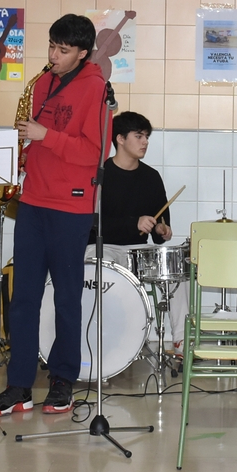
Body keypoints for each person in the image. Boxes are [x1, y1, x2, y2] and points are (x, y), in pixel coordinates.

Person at [0, 14, 109, 417]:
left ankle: (62, 380)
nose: (53, 56)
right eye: (51, 46)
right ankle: (18, 385)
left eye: (63, 50)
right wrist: (24, 153)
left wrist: (45, 136)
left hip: (71, 205)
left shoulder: (97, 89)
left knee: (68, 297)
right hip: (34, 200)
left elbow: (95, 153)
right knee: (23, 299)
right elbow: (35, 136)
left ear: (83, 53)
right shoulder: (41, 83)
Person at [91, 111, 186, 345]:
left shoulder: (151, 177)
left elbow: (161, 225)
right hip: (104, 248)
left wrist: (162, 230)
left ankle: (182, 343)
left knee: (178, 273)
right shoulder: (99, 174)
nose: (145, 142)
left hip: (138, 251)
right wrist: (134, 221)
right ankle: (100, 340)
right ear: (120, 139)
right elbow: (91, 224)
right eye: (139, 136)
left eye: (147, 137)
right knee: (89, 264)